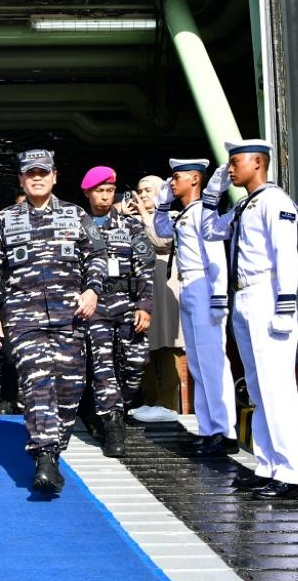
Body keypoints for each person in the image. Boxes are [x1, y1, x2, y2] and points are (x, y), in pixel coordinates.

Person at [0, 149, 106, 494]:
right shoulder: (5, 220)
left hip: (70, 316)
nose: (37, 178)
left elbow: (97, 255)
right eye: (30, 173)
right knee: (37, 381)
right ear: (21, 179)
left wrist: (93, 290)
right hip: (23, 317)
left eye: (43, 172)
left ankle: (54, 447)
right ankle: (45, 456)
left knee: (69, 389)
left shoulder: (76, 215)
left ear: (54, 177)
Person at [201, 139, 298, 499]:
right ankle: (268, 466)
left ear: (258, 163)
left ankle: (292, 474)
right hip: (244, 296)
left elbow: (286, 255)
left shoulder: (275, 202)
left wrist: (286, 306)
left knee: (277, 389)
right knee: (259, 389)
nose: (230, 168)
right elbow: (210, 231)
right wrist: (213, 194)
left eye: (236, 162)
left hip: (267, 294)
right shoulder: (246, 204)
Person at [153, 160, 237, 455]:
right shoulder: (186, 213)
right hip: (188, 286)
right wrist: (162, 204)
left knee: (213, 361)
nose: (172, 182)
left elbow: (216, 258)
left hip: (204, 286)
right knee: (198, 365)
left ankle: (225, 431)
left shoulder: (204, 212)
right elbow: (162, 230)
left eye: (177, 177)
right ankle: (208, 428)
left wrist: (218, 298)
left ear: (194, 179)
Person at [80, 166, 155, 458]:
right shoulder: (77, 225)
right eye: (99, 191)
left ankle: (111, 407)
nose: (105, 196)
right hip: (94, 306)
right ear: (87, 193)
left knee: (135, 364)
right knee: (103, 366)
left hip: (127, 303)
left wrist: (145, 305)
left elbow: (145, 267)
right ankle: (112, 424)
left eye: (110, 190)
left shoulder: (129, 226)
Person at [129, 176, 184, 419]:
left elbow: (162, 241)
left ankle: (168, 403)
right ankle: (150, 400)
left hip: (166, 287)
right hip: (142, 289)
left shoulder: (171, 217)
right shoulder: (131, 219)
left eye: (148, 190)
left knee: (168, 346)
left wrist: (144, 216)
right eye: (139, 190)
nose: (142, 195)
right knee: (143, 345)